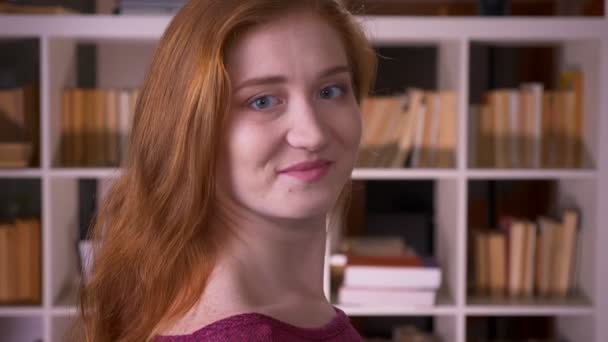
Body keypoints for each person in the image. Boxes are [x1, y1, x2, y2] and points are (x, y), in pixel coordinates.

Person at [76, 0, 376, 341]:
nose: (313, 134)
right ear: (191, 130)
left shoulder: (285, 308)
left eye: (330, 90)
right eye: (262, 101)